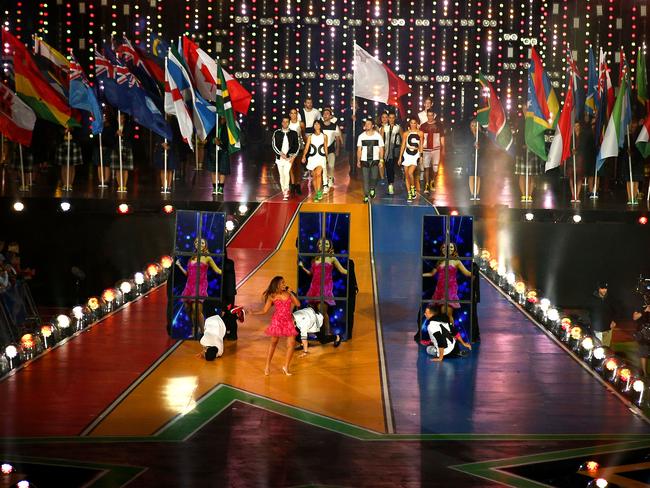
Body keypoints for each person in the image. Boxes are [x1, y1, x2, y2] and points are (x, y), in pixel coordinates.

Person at [250, 276, 301, 376]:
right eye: (282, 283)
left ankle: (286, 367)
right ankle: (267, 365)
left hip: (288, 321)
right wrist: (253, 313)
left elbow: (298, 304)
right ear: (277, 284)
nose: (284, 284)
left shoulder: (288, 294)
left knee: (291, 344)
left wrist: (291, 292)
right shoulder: (272, 296)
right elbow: (264, 311)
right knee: (274, 343)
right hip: (277, 321)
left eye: (284, 282)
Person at [298, 238, 348, 334]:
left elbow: (342, 270)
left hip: (325, 288)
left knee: (322, 312)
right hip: (314, 288)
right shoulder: (315, 259)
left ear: (329, 246)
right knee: (312, 313)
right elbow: (311, 273)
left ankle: (327, 334)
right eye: (320, 244)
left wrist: (353, 271)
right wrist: (302, 267)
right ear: (318, 246)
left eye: (326, 244)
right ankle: (315, 333)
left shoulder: (332, 258)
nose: (323, 245)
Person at [176, 238, 223, 335]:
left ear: (205, 245)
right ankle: (195, 327)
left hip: (200, 286)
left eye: (202, 242)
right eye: (197, 242)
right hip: (189, 286)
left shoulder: (207, 257)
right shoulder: (192, 257)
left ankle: (203, 331)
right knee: (188, 309)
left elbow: (217, 270)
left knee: (196, 309)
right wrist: (179, 266)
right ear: (195, 244)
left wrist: (227, 273)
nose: (199, 244)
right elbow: (188, 274)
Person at [423, 242, 472, 325]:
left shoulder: (456, 261)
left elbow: (467, 273)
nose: (449, 249)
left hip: (450, 289)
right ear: (442, 249)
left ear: (454, 250)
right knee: (439, 314)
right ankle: (444, 334)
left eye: (451, 247)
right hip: (439, 289)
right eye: (445, 247)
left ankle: (451, 334)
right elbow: (432, 273)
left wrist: (476, 273)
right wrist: (420, 275)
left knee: (446, 314)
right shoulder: (440, 261)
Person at [356, 118, 384, 203]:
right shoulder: (361, 136)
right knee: (365, 178)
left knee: (374, 177)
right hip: (364, 160)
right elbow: (359, 149)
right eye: (366, 124)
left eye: (369, 124)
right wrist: (358, 160)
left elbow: (381, 148)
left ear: (372, 126)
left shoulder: (378, 136)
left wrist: (381, 160)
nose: (367, 125)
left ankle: (372, 188)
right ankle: (366, 195)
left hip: (375, 160)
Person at [272, 116, 300, 200]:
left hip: (289, 158)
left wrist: (293, 155)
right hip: (279, 158)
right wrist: (280, 154)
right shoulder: (277, 132)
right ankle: (283, 190)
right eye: (283, 121)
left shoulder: (294, 133)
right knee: (281, 175)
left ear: (289, 123)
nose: (285, 123)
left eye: (287, 121)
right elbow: (274, 145)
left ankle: (286, 191)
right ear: (281, 123)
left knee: (286, 172)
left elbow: (297, 145)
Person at [513, 123, 543, 202]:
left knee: (531, 175)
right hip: (522, 153)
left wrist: (532, 145)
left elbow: (538, 139)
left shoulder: (535, 125)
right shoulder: (521, 124)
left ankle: (529, 195)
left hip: (533, 153)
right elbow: (518, 139)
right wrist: (522, 145)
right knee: (522, 174)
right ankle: (523, 195)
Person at [301, 120, 328, 202]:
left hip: (321, 157)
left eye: (318, 124)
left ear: (320, 125)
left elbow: (326, 147)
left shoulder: (324, 136)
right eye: (315, 124)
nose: (316, 125)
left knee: (319, 174)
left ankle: (318, 193)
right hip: (312, 158)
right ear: (313, 126)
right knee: (314, 176)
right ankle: (317, 192)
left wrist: (326, 157)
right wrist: (304, 156)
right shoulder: (310, 136)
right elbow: (307, 147)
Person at [620, 118, 644, 205]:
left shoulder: (640, 136)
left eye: (634, 126)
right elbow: (623, 149)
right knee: (629, 180)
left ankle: (634, 197)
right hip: (628, 161)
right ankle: (630, 198)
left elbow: (640, 149)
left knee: (636, 179)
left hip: (637, 161)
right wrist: (627, 151)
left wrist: (633, 153)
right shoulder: (627, 137)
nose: (633, 127)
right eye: (632, 126)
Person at [399, 118, 423, 202]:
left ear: (417, 124)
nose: (413, 124)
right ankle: (409, 193)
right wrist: (400, 157)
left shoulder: (420, 133)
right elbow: (403, 145)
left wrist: (421, 156)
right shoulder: (406, 133)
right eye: (411, 123)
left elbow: (421, 145)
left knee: (410, 173)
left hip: (415, 155)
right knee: (406, 175)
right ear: (409, 124)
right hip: (406, 154)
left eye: (414, 123)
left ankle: (413, 188)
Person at [419, 109, 443, 194]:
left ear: (434, 115)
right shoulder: (423, 126)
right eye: (428, 115)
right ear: (427, 116)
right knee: (426, 167)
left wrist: (443, 149)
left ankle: (432, 181)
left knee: (435, 168)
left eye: (431, 115)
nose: (430, 117)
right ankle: (426, 184)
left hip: (436, 149)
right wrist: (420, 151)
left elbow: (442, 138)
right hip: (426, 149)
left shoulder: (439, 125)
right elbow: (420, 139)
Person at [205, 117, 231, 195]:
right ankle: (215, 187)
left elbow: (228, 141)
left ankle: (221, 187)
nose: (223, 119)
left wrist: (220, 143)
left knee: (222, 170)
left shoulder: (228, 128)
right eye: (221, 118)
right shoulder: (213, 127)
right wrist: (213, 140)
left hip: (223, 151)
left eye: (224, 118)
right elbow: (208, 137)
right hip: (213, 152)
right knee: (213, 170)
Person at [320, 108, 343, 193]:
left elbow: (337, 138)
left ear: (330, 116)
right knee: (324, 167)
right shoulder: (320, 125)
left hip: (331, 149)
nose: (326, 115)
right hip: (321, 150)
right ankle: (325, 182)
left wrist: (337, 149)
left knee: (331, 166)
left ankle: (330, 178)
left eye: (327, 114)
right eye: (324, 114)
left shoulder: (334, 126)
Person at [110, 112, 134, 192]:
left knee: (125, 168)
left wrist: (122, 134)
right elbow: (110, 138)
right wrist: (116, 134)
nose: (120, 119)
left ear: (124, 119)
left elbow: (131, 136)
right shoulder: (114, 126)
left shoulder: (128, 126)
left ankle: (124, 185)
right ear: (117, 118)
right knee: (118, 168)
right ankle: (119, 185)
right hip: (116, 148)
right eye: (119, 118)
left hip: (126, 147)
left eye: (122, 118)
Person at [589, 280, 616, 347]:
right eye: (602, 288)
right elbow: (588, 312)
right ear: (598, 288)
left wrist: (614, 320)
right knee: (598, 350)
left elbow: (616, 310)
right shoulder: (592, 299)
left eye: (605, 288)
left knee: (606, 350)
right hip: (597, 329)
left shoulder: (610, 298)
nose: (604, 290)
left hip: (608, 329)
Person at [380, 111, 403, 195]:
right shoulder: (384, 128)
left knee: (392, 168)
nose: (391, 119)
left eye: (393, 118)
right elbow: (381, 140)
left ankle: (391, 185)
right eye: (390, 117)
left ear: (395, 118)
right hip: (386, 152)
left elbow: (403, 138)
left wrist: (401, 150)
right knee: (388, 167)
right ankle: (390, 184)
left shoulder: (398, 128)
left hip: (395, 151)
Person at [92, 111, 115, 186]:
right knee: (99, 164)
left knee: (107, 164)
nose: (103, 118)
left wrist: (105, 143)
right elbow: (94, 137)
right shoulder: (98, 126)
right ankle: (100, 179)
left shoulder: (109, 127)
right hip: (98, 148)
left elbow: (111, 138)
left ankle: (106, 180)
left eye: (104, 117)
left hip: (107, 148)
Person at [467, 119, 486, 200]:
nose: (474, 127)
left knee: (478, 175)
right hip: (471, 157)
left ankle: (477, 193)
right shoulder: (468, 135)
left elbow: (485, 146)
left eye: (475, 125)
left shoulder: (482, 135)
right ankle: (472, 193)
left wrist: (480, 147)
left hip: (480, 157)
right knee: (471, 175)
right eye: (472, 125)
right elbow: (466, 146)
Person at [288, 108, 304, 194]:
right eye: (292, 113)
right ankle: (293, 184)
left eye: (295, 113)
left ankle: (297, 185)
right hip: (289, 148)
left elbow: (303, 135)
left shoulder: (300, 124)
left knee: (298, 167)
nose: (293, 115)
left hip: (299, 147)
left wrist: (306, 147)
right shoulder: (287, 123)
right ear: (290, 114)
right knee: (290, 167)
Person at [633, 297, 650, 376]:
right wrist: (644, 311)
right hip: (643, 333)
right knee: (643, 353)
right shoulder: (640, 305)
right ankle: (645, 373)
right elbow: (635, 317)